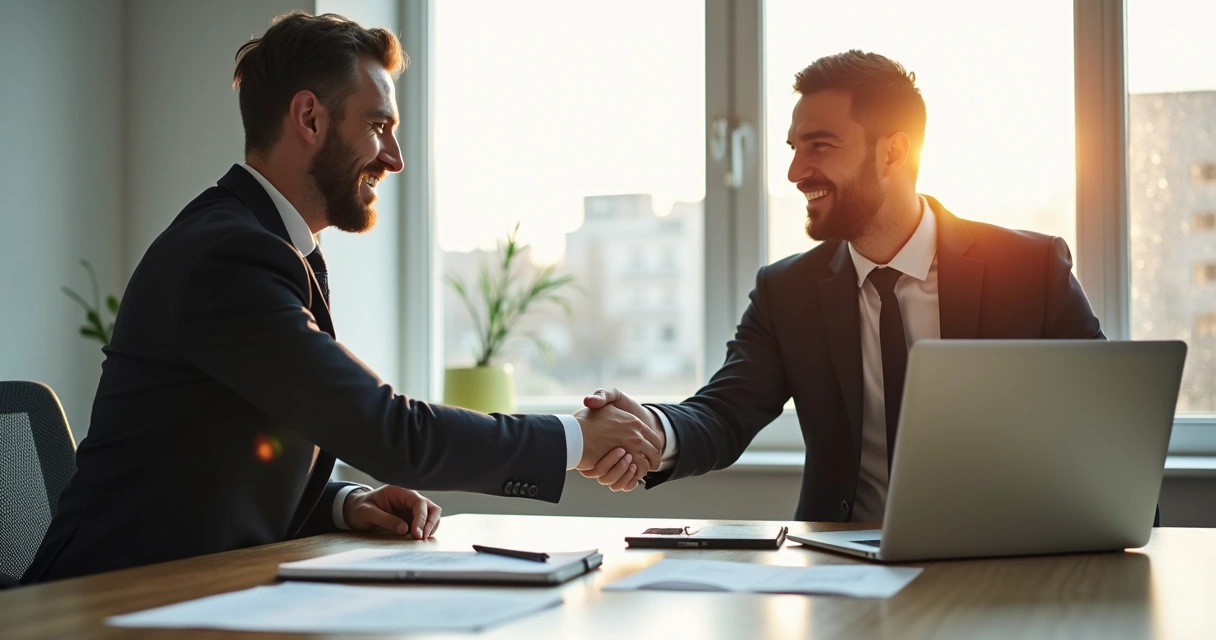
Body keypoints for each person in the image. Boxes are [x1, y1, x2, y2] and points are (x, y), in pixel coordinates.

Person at [22, 12, 658, 584]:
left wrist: (342, 502)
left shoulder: (269, 244)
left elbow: (224, 454)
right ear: (309, 118)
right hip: (99, 602)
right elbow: (384, 427)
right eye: (379, 125)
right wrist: (574, 439)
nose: (396, 157)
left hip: (193, 589)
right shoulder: (228, 256)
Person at [581, 50, 1103, 523]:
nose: (793, 171)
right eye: (792, 147)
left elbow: (1109, 420)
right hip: (845, 572)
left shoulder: (1029, 269)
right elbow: (722, 413)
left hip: (1006, 567)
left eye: (820, 145)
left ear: (893, 153)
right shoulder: (788, 291)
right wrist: (651, 428)